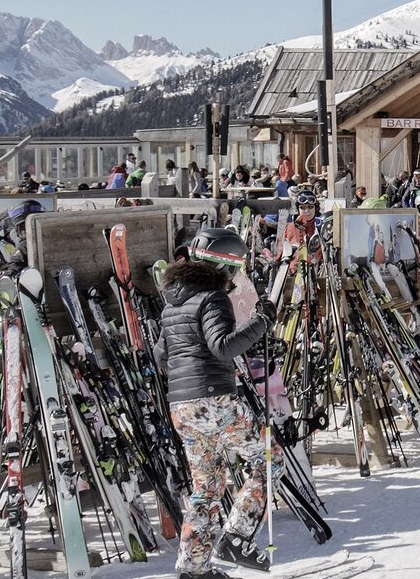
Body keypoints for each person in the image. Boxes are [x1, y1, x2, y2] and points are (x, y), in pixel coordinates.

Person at [161, 228, 276, 577]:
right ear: (224, 266)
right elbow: (223, 346)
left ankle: (193, 568)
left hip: (182, 406)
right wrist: (261, 322)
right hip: (213, 402)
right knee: (268, 459)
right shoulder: (212, 298)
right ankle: (237, 536)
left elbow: (162, 355)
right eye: (236, 269)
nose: (236, 277)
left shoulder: (172, 302)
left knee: (207, 486)